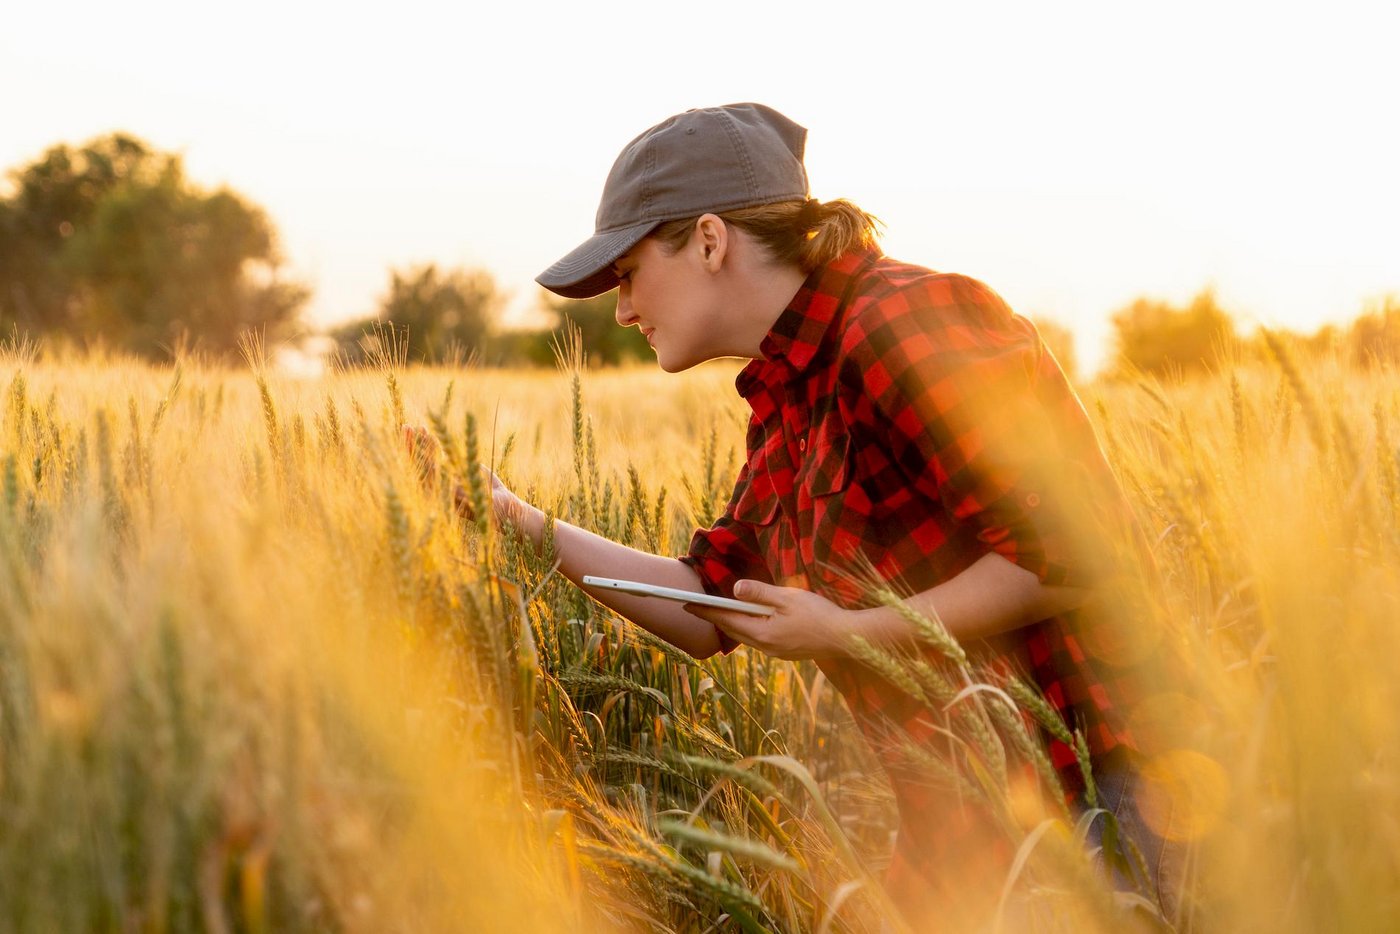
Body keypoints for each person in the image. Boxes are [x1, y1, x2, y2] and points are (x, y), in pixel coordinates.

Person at [471, 103, 1172, 927]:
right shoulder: (790, 392)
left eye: (627, 274)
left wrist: (845, 632)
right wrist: (510, 516)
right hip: (969, 834)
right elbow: (710, 603)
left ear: (709, 241)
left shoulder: (903, 320)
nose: (622, 311)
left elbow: (1071, 558)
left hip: (1102, 808)